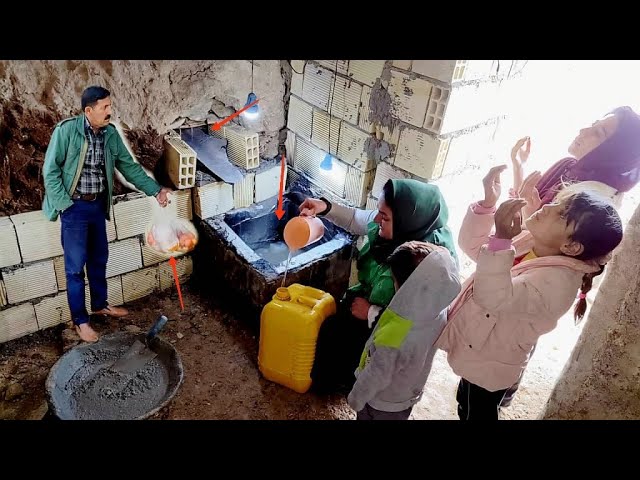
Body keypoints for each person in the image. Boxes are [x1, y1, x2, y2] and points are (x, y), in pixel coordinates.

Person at [434, 165, 623, 420]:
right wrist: (488, 204)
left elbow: (492, 296)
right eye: (557, 202)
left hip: (493, 360)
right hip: (480, 346)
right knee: (466, 401)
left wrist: (501, 240)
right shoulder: (534, 242)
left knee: (477, 412)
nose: (548, 206)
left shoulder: (557, 285)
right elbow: (477, 249)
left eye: (560, 214)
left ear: (571, 247)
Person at [298, 178, 458, 394]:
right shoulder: (399, 228)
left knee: (354, 347)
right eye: (379, 212)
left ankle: (351, 386)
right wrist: (325, 207)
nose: (377, 219)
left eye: (385, 217)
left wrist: (372, 313)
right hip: (369, 303)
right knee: (331, 328)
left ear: (404, 221)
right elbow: (356, 218)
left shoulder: (427, 267)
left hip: (390, 325)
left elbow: (417, 326)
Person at [42, 85, 172, 343]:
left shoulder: (110, 135)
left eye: (110, 106)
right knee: (75, 268)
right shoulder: (66, 131)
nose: (110, 111)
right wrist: (64, 205)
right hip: (74, 208)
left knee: (99, 259)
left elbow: (129, 167)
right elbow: (50, 171)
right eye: (105, 107)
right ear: (88, 111)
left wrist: (155, 190)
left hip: (97, 206)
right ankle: (80, 321)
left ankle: (100, 304)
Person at [347, 241, 461, 420]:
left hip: (379, 403)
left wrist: (356, 397)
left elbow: (377, 373)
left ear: (407, 288)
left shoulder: (396, 331)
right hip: (406, 395)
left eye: (393, 280)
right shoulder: (438, 313)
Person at [511, 106, 640, 219]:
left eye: (598, 132)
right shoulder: (567, 166)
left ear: (615, 154)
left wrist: (530, 216)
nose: (583, 130)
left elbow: (546, 244)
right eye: (593, 124)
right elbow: (523, 203)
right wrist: (519, 167)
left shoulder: (593, 203)